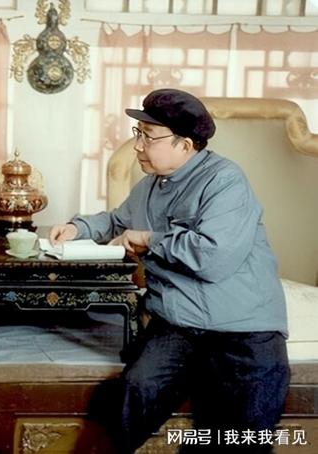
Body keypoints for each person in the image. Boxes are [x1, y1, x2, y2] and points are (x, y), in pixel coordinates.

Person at [49, 88, 289, 453]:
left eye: (149, 137)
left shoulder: (225, 181)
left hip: (243, 330)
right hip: (180, 326)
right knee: (133, 393)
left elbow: (213, 257)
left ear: (186, 145)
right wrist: (77, 228)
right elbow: (116, 221)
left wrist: (149, 238)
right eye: (138, 134)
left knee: (241, 439)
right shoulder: (150, 185)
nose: (137, 146)